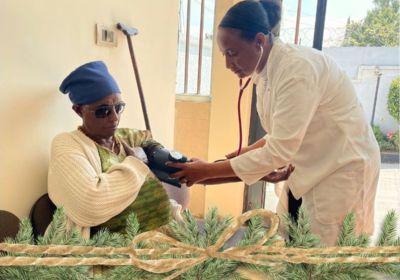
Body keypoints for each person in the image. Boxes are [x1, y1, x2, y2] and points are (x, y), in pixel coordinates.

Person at [169, 0, 381, 245]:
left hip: (342, 168)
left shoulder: (296, 70)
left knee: (324, 252)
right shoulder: (266, 71)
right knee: (292, 238)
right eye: (224, 55)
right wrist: (232, 159)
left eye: (232, 53)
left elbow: (278, 151)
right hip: (309, 166)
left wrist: (206, 171)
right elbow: (279, 134)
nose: (228, 64)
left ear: (259, 41)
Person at [48, 61, 183, 239]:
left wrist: (157, 152)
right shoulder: (67, 144)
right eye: (103, 111)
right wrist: (135, 163)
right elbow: (90, 204)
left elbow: (149, 142)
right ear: (79, 110)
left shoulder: (127, 137)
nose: (114, 118)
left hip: (167, 230)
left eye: (118, 107)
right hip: (122, 246)